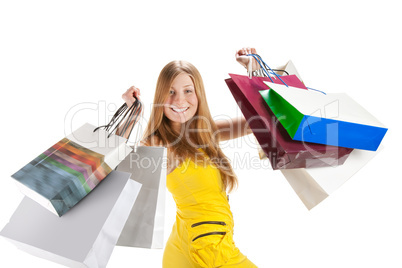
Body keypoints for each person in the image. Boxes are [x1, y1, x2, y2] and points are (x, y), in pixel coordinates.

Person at [120, 47, 260, 268]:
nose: (179, 100)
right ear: (160, 97)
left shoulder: (205, 132)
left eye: (188, 91)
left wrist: (254, 71)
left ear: (198, 95)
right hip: (209, 249)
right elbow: (117, 161)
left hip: (186, 242)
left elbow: (258, 121)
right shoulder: (160, 142)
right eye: (171, 92)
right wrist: (131, 114)